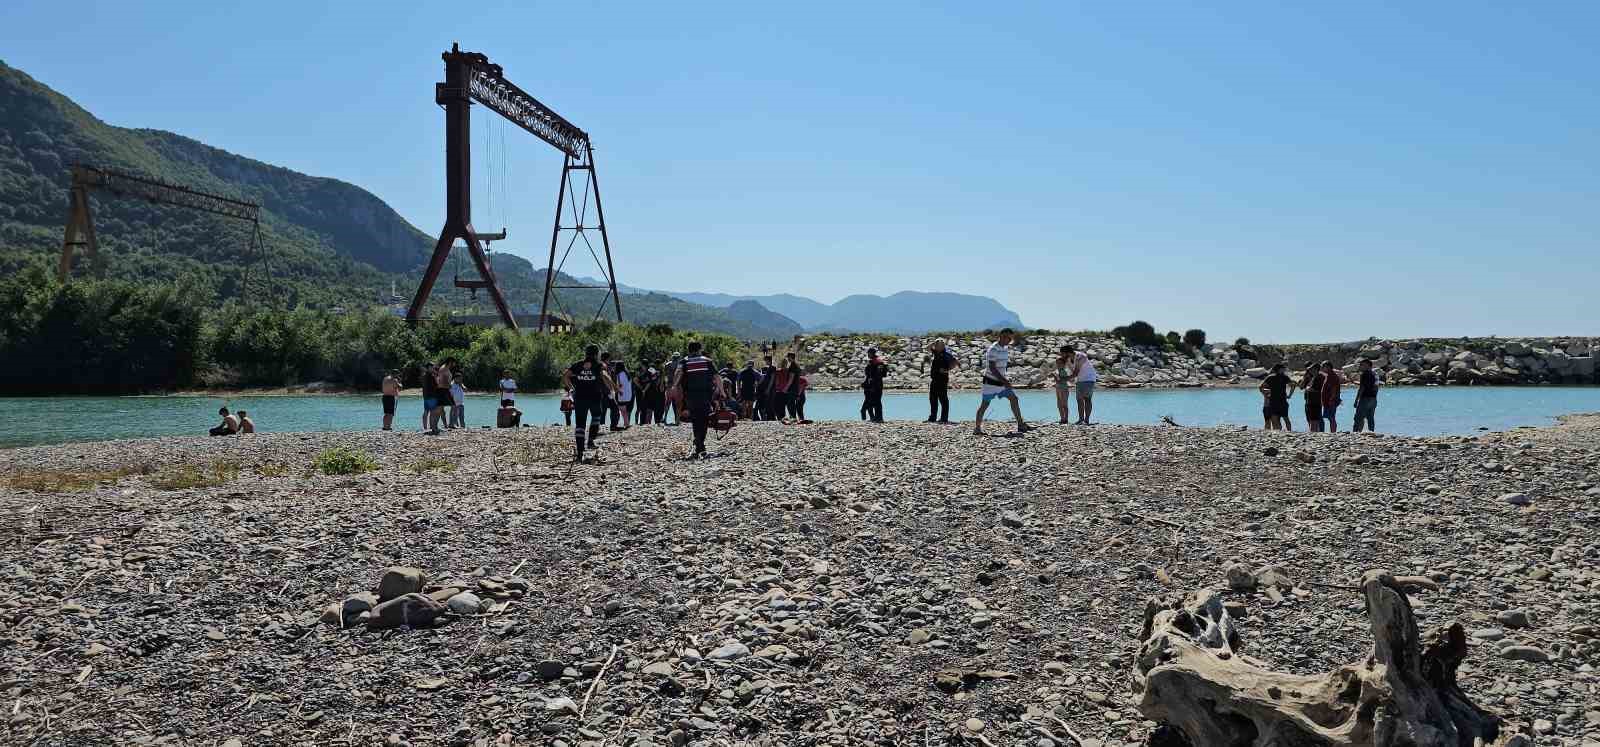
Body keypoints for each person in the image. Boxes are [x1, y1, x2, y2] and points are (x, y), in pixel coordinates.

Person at [671, 340, 725, 459]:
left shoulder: (684, 361)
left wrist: (674, 387)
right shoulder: (707, 361)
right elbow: (717, 377)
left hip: (690, 395)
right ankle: (700, 443)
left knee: (695, 418)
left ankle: (699, 443)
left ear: (689, 349)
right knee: (704, 418)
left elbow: (678, 374)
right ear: (700, 349)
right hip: (706, 395)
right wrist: (722, 391)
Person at [562, 344, 615, 462]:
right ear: (597, 354)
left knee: (580, 425)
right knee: (597, 416)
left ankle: (580, 453)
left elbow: (565, 376)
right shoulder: (599, 364)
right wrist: (613, 389)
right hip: (594, 397)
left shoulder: (577, 365)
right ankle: (590, 441)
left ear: (586, 353)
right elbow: (605, 376)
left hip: (580, 398)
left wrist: (571, 388)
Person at [974, 328, 1032, 436]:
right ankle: (977, 429)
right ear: (1000, 336)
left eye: (1010, 338)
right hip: (990, 382)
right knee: (985, 404)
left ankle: (1020, 424)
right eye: (1006, 337)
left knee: (1014, 399)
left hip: (1001, 382)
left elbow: (1002, 365)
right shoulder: (993, 349)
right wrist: (1005, 381)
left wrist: (1006, 378)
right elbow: (992, 368)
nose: (1008, 339)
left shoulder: (1005, 348)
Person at [921, 339, 958, 423]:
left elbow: (955, 362)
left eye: (941, 345)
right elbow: (926, 348)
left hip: (943, 380)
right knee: (932, 399)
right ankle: (932, 418)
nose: (939, 346)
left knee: (943, 399)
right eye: (938, 345)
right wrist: (934, 342)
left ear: (943, 346)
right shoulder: (935, 353)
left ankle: (944, 419)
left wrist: (947, 370)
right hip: (934, 379)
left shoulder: (947, 354)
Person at [1258, 363, 1295, 431]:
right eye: (1283, 369)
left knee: (1279, 418)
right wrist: (1289, 395)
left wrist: (1265, 394)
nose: (1284, 370)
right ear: (1279, 369)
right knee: (1283, 418)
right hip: (1279, 400)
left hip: (1276, 400)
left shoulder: (1279, 377)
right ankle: (1287, 432)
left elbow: (1261, 387)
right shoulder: (1282, 377)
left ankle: (1278, 432)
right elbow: (1293, 385)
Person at [1068, 344, 1098, 425]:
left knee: (1087, 399)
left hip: (1089, 379)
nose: (1062, 355)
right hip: (1080, 380)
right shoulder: (1068, 359)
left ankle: (1086, 420)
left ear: (1068, 352)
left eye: (1063, 353)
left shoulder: (1080, 356)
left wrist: (1066, 378)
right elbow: (1072, 371)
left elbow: (1076, 371)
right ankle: (1081, 419)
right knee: (1079, 400)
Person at [861, 347, 888, 422]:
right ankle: (875, 417)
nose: (868, 355)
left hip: (876, 385)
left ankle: (879, 418)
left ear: (872, 353)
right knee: (874, 401)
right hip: (873, 384)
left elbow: (878, 375)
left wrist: (873, 385)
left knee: (877, 401)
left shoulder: (878, 362)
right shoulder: (873, 362)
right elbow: (869, 375)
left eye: (869, 353)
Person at [1353, 359, 1380, 433]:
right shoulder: (1375, 374)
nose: (1360, 366)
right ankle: (1372, 433)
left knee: (1358, 417)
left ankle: (1356, 433)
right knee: (1370, 418)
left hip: (1365, 398)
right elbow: (1376, 387)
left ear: (1367, 365)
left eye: (1362, 365)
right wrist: (1374, 398)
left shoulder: (1364, 374)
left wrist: (1356, 400)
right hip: (1373, 399)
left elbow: (1362, 388)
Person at [1320, 360, 1343, 432]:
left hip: (1331, 401)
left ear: (1328, 367)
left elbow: (1334, 389)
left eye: (1323, 367)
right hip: (1328, 401)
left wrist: (1331, 399)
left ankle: (1333, 432)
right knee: (1330, 417)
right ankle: (1332, 431)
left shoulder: (1332, 376)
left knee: (1331, 417)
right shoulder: (1329, 375)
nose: (1322, 368)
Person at [1053, 346, 1075, 424]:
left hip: (1064, 388)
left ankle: (1066, 419)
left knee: (1064, 404)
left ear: (1063, 364)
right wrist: (1055, 377)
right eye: (1057, 363)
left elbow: (1063, 379)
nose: (1058, 365)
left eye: (1060, 363)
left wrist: (1056, 377)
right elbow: (1057, 380)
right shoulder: (1056, 371)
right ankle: (1062, 418)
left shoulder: (1065, 371)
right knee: (1059, 404)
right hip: (1058, 388)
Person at [1300, 364, 1324, 432]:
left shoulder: (1319, 377)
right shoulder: (1312, 377)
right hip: (1310, 401)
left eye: (1311, 369)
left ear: (1315, 369)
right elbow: (1301, 387)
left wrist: (1307, 388)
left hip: (1315, 401)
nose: (1309, 371)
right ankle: (1313, 432)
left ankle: (1315, 433)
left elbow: (1314, 389)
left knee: (1315, 419)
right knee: (1311, 419)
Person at [419, 363, 440, 434]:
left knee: (426, 412)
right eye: (432, 367)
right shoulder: (431, 376)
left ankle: (426, 428)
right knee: (433, 412)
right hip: (431, 396)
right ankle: (433, 428)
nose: (433, 368)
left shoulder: (424, 375)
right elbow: (436, 385)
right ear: (428, 368)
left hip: (426, 396)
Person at [783, 352, 804, 421]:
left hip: (792, 388)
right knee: (791, 403)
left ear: (791, 357)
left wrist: (786, 388)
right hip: (796, 387)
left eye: (788, 357)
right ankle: (794, 417)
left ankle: (793, 417)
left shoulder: (792, 366)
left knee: (790, 403)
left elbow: (791, 378)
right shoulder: (796, 365)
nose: (787, 359)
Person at [759, 355, 779, 421]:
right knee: (767, 403)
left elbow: (772, 379)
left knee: (770, 403)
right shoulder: (769, 368)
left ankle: (772, 417)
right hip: (769, 388)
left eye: (766, 360)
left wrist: (768, 389)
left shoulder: (772, 368)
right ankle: (769, 417)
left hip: (771, 389)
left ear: (769, 360)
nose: (765, 362)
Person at [614, 361, 634, 429]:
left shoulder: (619, 374)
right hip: (629, 395)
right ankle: (627, 423)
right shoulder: (627, 373)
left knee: (623, 410)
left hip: (622, 394)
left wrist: (616, 391)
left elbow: (620, 385)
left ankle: (626, 424)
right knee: (624, 409)